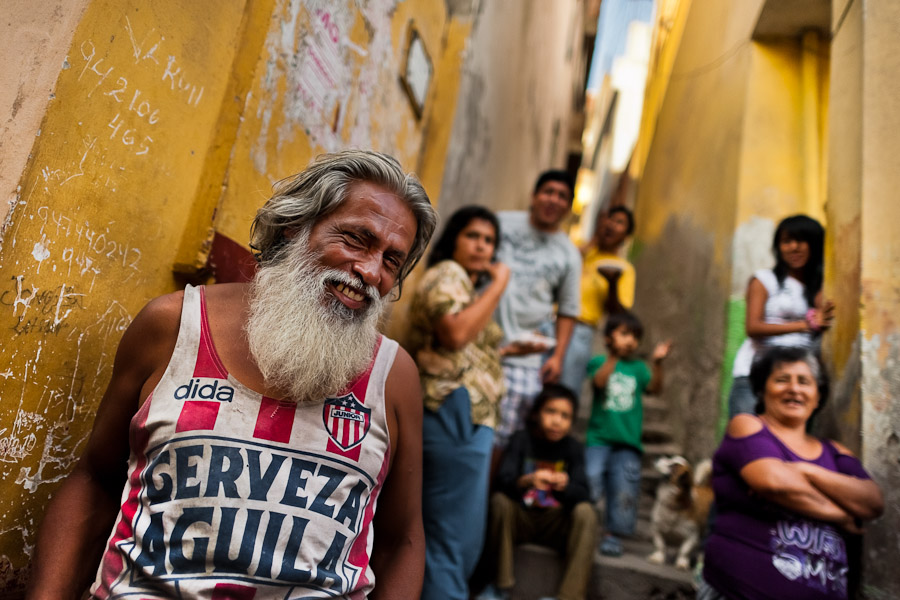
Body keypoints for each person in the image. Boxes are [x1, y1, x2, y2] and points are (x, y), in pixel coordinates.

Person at [26, 150, 438, 600]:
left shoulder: (391, 377)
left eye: (392, 261)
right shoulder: (171, 328)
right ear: (293, 227)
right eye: (357, 239)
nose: (370, 271)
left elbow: (403, 541)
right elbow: (95, 480)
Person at [699, 346, 884, 600]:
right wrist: (841, 514)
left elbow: (872, 501)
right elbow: (774, 482)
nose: (794, 389)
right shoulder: (748, 426)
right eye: (782, 380)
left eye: (805, 382)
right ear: (762, 391)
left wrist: (805, 470)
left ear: (818, 396)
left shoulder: (835, 451)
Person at [406, 205, 510, 600]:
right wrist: (499, 284)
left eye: (489, 241)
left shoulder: (465, 286)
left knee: (458, 537)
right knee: (450, 536)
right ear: (454, 240)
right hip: (454, 410)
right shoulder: (448, 273)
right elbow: (453, 334)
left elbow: (467, 345)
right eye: (474, 236)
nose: (483, 247)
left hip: (469, 415)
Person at [477, 384, 596, 600]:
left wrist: (566, 485)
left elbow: (585, 493)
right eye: (550, 412)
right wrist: (527, 480)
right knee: (499, 502)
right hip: (521, 519)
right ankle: (498, 586)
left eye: (565, 416)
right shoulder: (522, 439)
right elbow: (503, 481)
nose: (557, 421)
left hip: (554, 524)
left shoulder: (573, 447)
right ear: (536, 413)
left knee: (586, 512)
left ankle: (568, 597)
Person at [493, 170, 582, 447]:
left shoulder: (569, 254)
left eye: (562, 196)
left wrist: (557, 357)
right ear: (534, 195)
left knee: (505, 437)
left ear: (568, 207)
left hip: (525, 356)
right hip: (479, 340)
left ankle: (486, 491)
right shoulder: (500, 223)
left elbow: (568, 310)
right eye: (548, 192)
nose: (553, 200)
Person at [729, 215, 834, 418]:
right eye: (786, 241)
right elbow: (753, 328)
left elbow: (826, 312)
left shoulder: (817, 287)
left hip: (798, 376)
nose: (794, 248)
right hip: (754, 372)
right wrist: (806, 325)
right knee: (748, 435)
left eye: (801, 241)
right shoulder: (764, 280)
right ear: (779, 247)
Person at [585, 311, 671, 557]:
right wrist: (612, 357)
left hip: (628, 443)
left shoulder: (639, 368)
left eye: (635, 336)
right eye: (624, 334)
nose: (631, 340)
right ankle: (584, 527)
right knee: (590, 479)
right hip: (598, 439)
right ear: (608, 338)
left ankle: (612, 534)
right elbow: (599, 383)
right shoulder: (599, 362)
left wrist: (657, 363)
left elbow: (654, 388)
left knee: (624, 489)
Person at [560, 205, 636, 396]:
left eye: (619, 222)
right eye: (609, 218)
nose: (611, 224)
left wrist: (612, 284)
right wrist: (593, 241)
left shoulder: (624, 269)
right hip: (550, 320)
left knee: (564, 390)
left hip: (580, 329)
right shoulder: (580, 249)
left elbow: (619, 314)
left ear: (626, 236)